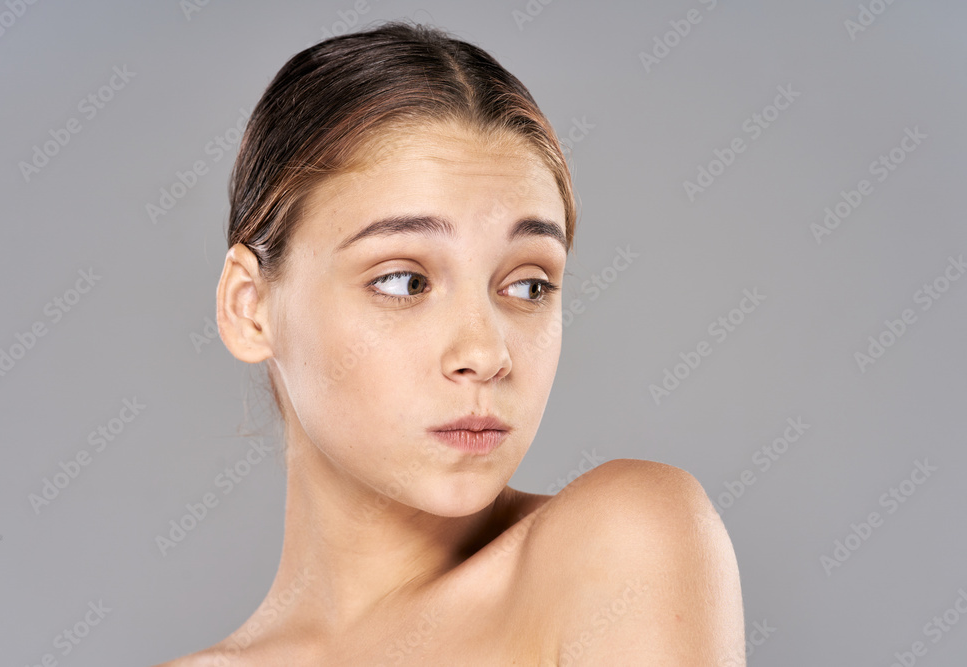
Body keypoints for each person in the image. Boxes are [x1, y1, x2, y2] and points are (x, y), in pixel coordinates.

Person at [158, 19, 744, 666]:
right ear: (250, 307)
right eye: (404, 280)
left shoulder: (624, 541)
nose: (487, 353)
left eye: (527, 285)